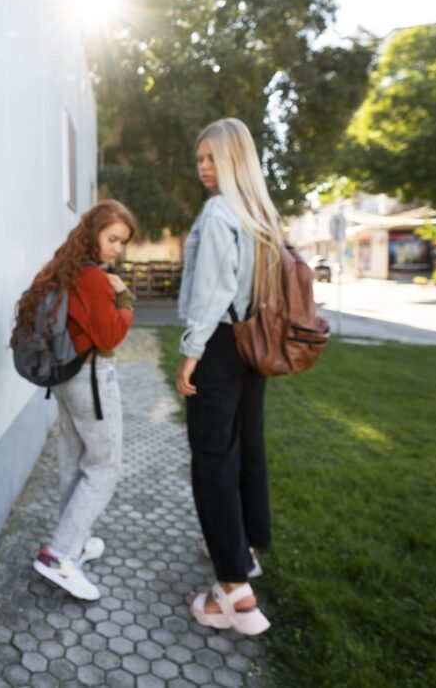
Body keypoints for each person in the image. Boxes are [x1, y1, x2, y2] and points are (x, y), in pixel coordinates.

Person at [175, 117, 284, 636]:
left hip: (219, 343)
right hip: (252, 343)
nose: (203, 167)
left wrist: (190, 354)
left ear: (234, 160)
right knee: (245, 445)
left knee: (212, 459)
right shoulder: (260, 213)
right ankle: (245, 546)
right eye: (200, 159)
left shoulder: (220, 212)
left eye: (212, 158)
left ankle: (234, 594)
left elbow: (212, 291)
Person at [12, 199, 136, 600]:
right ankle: (59, 554)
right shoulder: (95, 280)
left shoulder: (63, 270)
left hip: (66, 379)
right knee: (104, 466)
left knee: (74, 461)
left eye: (122, 242)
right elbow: (109, 336)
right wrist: (125, 301)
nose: (117, 248)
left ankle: (73, 542)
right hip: (91, 379)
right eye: (113, 238)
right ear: (93, 234)